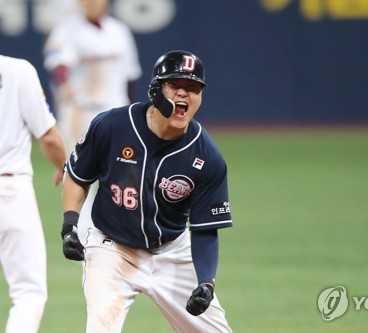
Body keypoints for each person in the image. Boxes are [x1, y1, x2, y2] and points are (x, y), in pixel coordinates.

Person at [60, 50, 233, 332]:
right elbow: (78, 176)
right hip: (111, 250)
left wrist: (205, 281)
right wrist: (70, 225)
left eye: (193, 88)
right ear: (155, 90)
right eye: (175, 85)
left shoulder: (206, 156)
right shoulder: (112, 126)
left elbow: (204, 229)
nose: (184, 94)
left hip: (172, 253)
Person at [43, 0, 142, 241]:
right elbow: (59, 67)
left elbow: (130, 75)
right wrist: (65, 85)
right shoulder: (66, 30)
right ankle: (80, 233)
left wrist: (132, 113)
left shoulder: (119, 31)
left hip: (116, 110)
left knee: (122, 173)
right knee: (79, 174)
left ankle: (116, 234)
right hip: (80, 112)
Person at [0, 54, 67, 333]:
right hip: (10, 191)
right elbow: (48, 136)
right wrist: (63, 165)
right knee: (28, 293)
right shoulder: (17, 70)